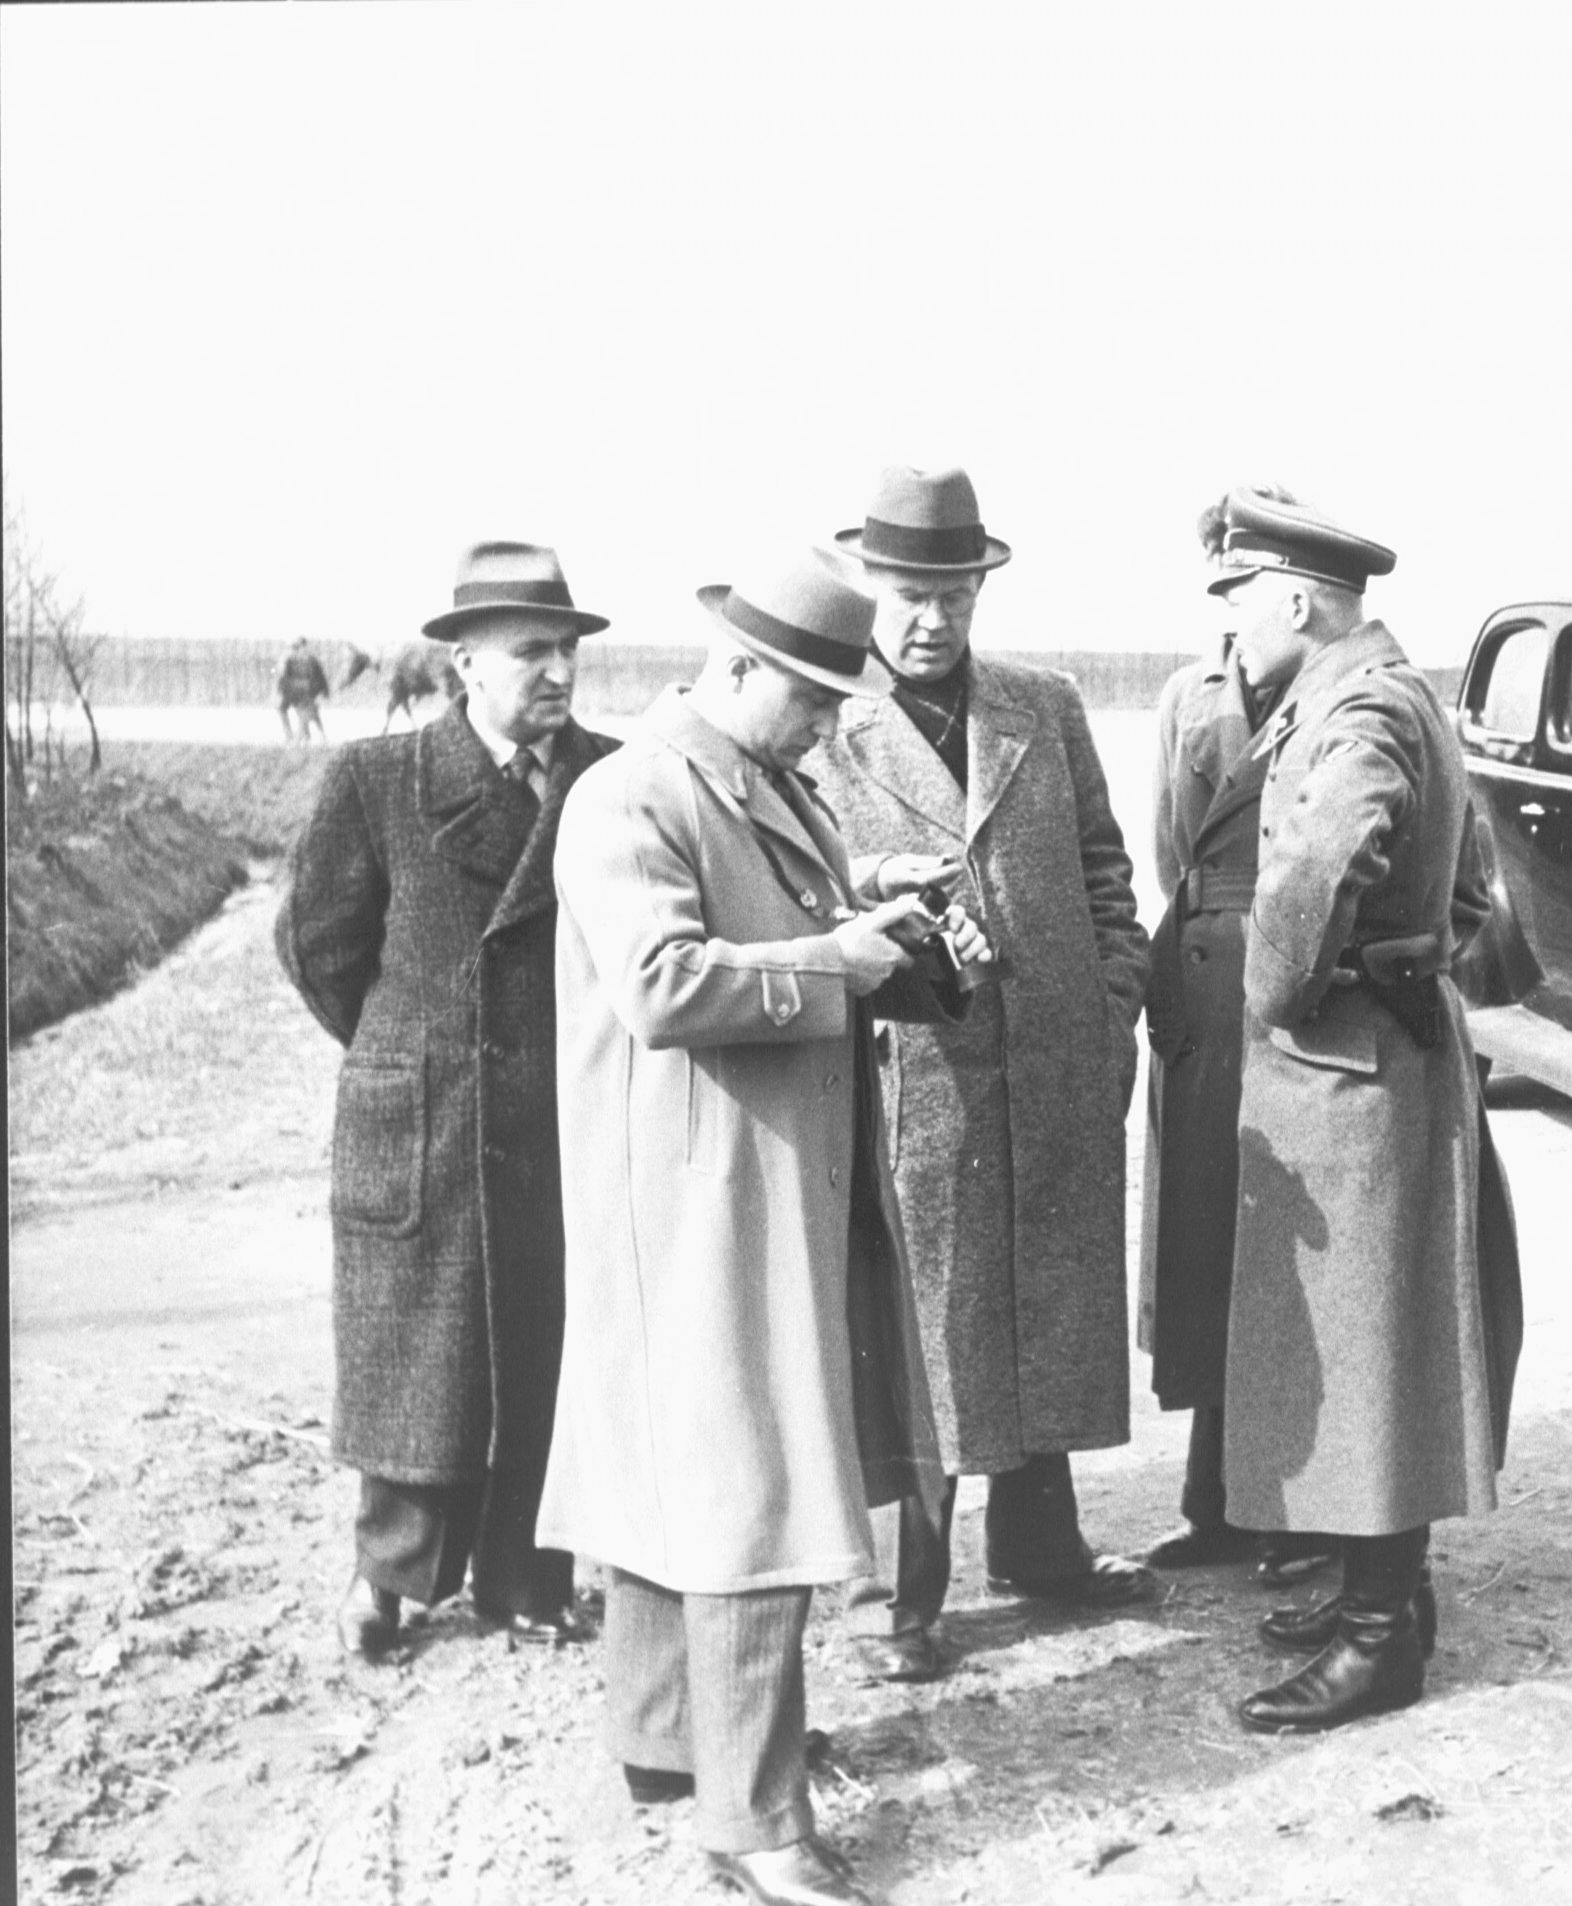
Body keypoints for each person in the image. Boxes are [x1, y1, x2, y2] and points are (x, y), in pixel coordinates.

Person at [542, 557, 983, 1906]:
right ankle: (754, 1820)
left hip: (752, 1176)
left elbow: (766, 931)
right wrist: (837, 960)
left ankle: (672, 1744)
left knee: (683, 1462)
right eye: (809, 700)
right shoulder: (631, 792)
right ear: (733, 670)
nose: (827, 729)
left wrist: (868, 920)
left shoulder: (756, 779)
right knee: (743, 1482)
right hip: (698, 1198)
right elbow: (666, 984)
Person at [811, 465, 1156, 1685]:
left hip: (1053, 1069)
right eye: (909, 593)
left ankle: (1044, 1550)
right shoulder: (825, 723)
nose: (929, 620)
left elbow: (1108, 877)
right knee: (927, 1334)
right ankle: (895, 1601)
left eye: (951, 593)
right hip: (915, 1084)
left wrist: (1108, 1010)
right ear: (869, 587)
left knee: (1042, 1311)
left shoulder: (1040, 707)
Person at [1210, 487, 1518, 1734]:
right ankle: (1371, 1599)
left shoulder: (1358, 709)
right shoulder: (1381, 689)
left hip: (1347, 1071)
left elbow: (1320, 864)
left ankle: (1383, 1633)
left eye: (1238, 603)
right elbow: (1475, 888)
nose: (1229, 630)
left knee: (1373, 1353)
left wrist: (1277, 988)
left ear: (1295, 598)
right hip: (1369, 1059)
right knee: (1361, 1346)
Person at [277, 539, 613, 1660]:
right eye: (530, 652)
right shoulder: (378, 783)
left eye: (567, 651)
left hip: (559, 1118)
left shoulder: (609, 783)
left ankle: (529, 1579)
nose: (556, 673)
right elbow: (320, 949)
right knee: (419, 1351)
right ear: (463, 662)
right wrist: (406, 1053)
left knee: (544, 1344)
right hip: (429, 1115)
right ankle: (392, 1574)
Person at [1129, 486, 1335, 1589]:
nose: (1232, 598)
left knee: (1290, 1253)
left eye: (1246, 580)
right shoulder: (1186, 695)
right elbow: (1171, 848)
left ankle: (1290, 1505)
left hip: (1287, 974)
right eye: (1221, 580)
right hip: (1206, 980)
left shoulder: (1334, 692)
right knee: (1208, 1238)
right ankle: (1213, 1503)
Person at [277, 636, 331, 741]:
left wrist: (324, 692)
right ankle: (295, 736)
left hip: (304, 693)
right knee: (286, 709)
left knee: (306, 714)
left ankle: (302, 736)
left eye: (301, 647)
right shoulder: (291, 659)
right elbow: (283, 677)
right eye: (297, 647)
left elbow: (320, 677)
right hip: (296, 693)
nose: (300, 650)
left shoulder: (310, 660)